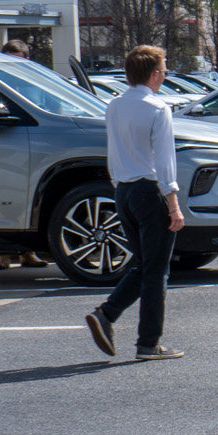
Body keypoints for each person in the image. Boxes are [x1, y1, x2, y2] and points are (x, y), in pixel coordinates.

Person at [85, 45, 185, 361]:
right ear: (154, 73)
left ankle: (108, 314)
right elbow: (165, 161)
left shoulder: (114, 105)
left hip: (124, 191)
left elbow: (114, 151)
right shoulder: (157, 109)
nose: (166, 73)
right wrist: (173, 204)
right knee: (157, 271)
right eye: (164, 68)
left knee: (145, 265)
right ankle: (148, 343)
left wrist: (120, 186)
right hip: (149, 190)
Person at [0, 40, 49, 272]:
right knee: (3, 198)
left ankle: (27, 254)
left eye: (17, 59)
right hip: (3, 148)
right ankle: (2, 255)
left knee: (27, 201)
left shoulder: (35, 83)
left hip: (31, 149)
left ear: (27, 60)